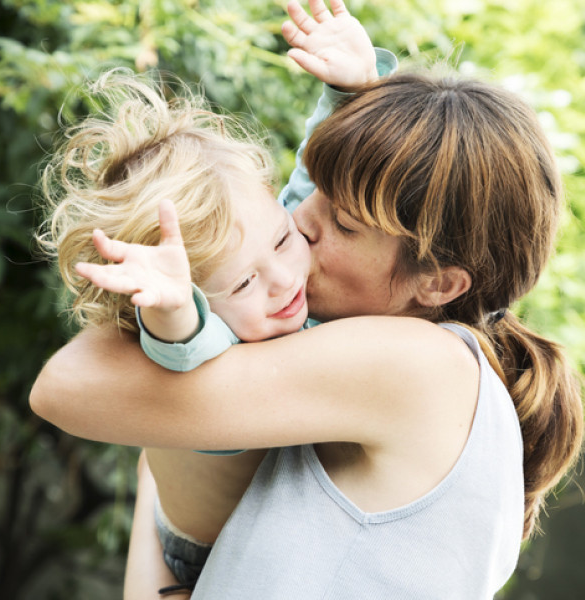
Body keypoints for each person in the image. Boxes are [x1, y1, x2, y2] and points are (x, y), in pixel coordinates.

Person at [30, 0, 583, 598]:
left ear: (440, 283)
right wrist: (354, 96)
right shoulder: (392, 366)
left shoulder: (420, 364)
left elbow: (67, 386)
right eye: (309, 198)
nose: (301, 220)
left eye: (345, 223)